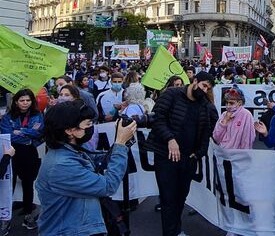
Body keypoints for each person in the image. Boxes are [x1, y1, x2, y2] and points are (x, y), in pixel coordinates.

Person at [35, 99, 137, 236]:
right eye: (88, 124)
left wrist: (121, 142)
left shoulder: (70, 150)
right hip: (69, 231)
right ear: (70, 130)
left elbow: (99, 161)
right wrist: (119, 143)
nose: (92, 128)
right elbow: (108, 186)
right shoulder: (62, 165)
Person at [143, 72, 218, 236]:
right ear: (195, 81)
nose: (205, 90)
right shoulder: (172, 94)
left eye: (209, 88)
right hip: (166, 156)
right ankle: (171, 233)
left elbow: (207, 131)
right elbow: (158, 118)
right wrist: (170, 139)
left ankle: (176, 230)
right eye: (204, 85)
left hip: (188, 159)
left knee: (180, 198)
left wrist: (199, 153)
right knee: (168, 198)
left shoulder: (205, 105)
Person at [0, 89, 44, 230]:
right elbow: (7, 135)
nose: (25, 103)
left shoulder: (37, 115)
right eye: (22, 100)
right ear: (16, 102)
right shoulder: (8, 116)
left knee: (27, 184)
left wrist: (20, 131)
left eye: (28, 100)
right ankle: (5, 218)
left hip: (29, 153)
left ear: (32, 102)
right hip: (11, 153)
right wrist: (26, 134)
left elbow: (38, 133)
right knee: (7, 185)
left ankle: (28, 215)